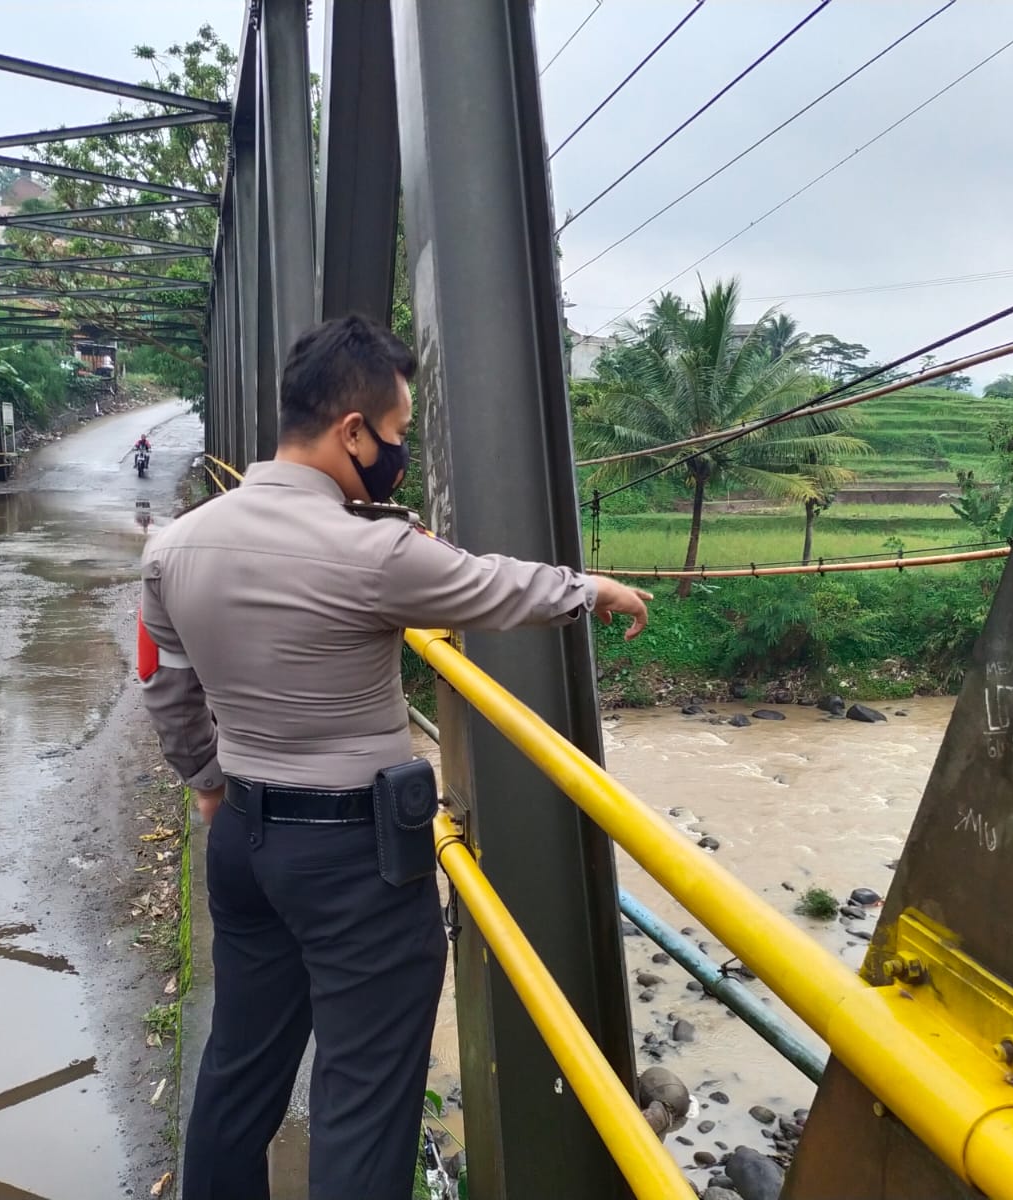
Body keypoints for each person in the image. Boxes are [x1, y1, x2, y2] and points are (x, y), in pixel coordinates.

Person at [138, 314, 650, 1200]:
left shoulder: (174, 546)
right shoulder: (371, 551)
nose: (399, 452)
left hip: (246, 843)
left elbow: (166, 688)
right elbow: (492, 584)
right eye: (399, 435)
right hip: (354, 862)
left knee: (239, 1068)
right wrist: (589, 588)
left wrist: (211, 785)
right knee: (363, 1098)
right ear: (352, 432)